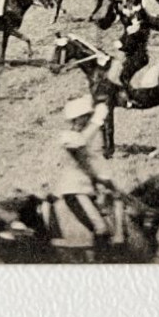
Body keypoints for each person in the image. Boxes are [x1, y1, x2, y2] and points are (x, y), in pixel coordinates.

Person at [55, 95, 115, 249]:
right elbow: (81, 141)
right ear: (76, 119)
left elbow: (87, 166)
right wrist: (97, 119)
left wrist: (101, 179)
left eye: (88, 116)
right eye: (85, 117)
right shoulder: (67, 136)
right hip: (74, 191)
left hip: (87, 189)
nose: (88, 119)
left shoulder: (82, 135)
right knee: (101, 228)